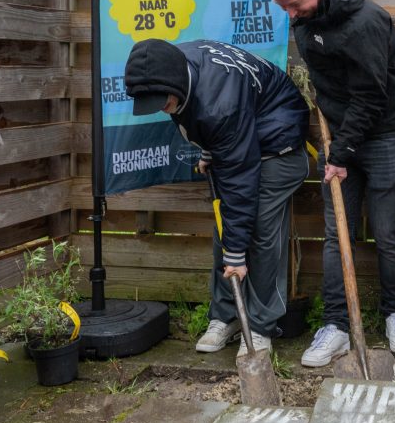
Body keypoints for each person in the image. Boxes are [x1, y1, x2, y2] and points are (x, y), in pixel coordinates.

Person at [262, 0, 395, 367]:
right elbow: (326, 83)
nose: (291, 15)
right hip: (340, 141)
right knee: (337, 234)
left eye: (294, 4)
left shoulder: (367, 21)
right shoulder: (303, 17)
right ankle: (335, 326)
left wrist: (340, 154)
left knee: (387, 232)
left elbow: (371, 96)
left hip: (386, 134)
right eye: (283, 7)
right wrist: (336, 145)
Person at [124, 38, 309, 358]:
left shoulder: (219, 102)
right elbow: (201, 118)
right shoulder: (169, 65)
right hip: (244, 136)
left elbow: (240, 173)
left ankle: (261, 326)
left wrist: (236, 253)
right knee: (227, 228)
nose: (162, 107)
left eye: (163, 101)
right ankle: (226, 317)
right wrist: (213, 147)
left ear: (177, 82)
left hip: (281, 143)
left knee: (259, 230)